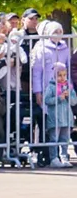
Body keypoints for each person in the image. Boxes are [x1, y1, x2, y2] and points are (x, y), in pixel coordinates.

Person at [30, 21, 70, 167]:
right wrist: (37, 92)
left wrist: (69, 88)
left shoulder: (65, 48)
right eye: (55, 31)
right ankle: (50, 156)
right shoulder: (41, 47)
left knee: (64, 125)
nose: (58, 34)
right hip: (48, 89)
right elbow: (36, 72)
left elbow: (69, 69)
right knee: (50, 125)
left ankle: (63, 155)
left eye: (60, 31)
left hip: (63, 91)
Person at [44, 62, 73, 169]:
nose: (62, 78)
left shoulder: (68, 86)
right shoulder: (51, 87)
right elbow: (46, 100)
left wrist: (69, 96)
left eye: (64, 75)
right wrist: (58, 98)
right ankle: (54, 158)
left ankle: (64, 157)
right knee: (54, 139)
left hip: (66, 118)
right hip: (55, 119)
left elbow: (74, 101)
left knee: (65, 139)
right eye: (59, 75)